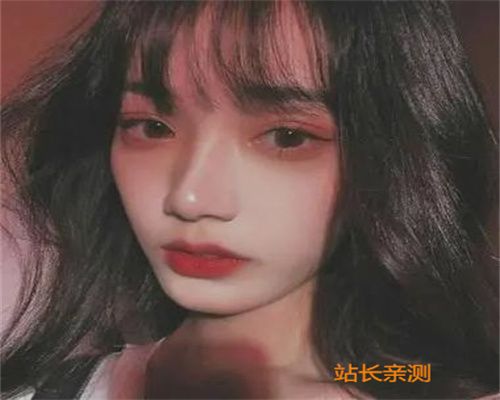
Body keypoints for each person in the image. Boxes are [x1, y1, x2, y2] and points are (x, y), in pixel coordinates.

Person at [1, 1, 498, 399]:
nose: (190, 198)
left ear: (390, 155)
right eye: (151, 127)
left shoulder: (408, 380)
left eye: (286, 137)